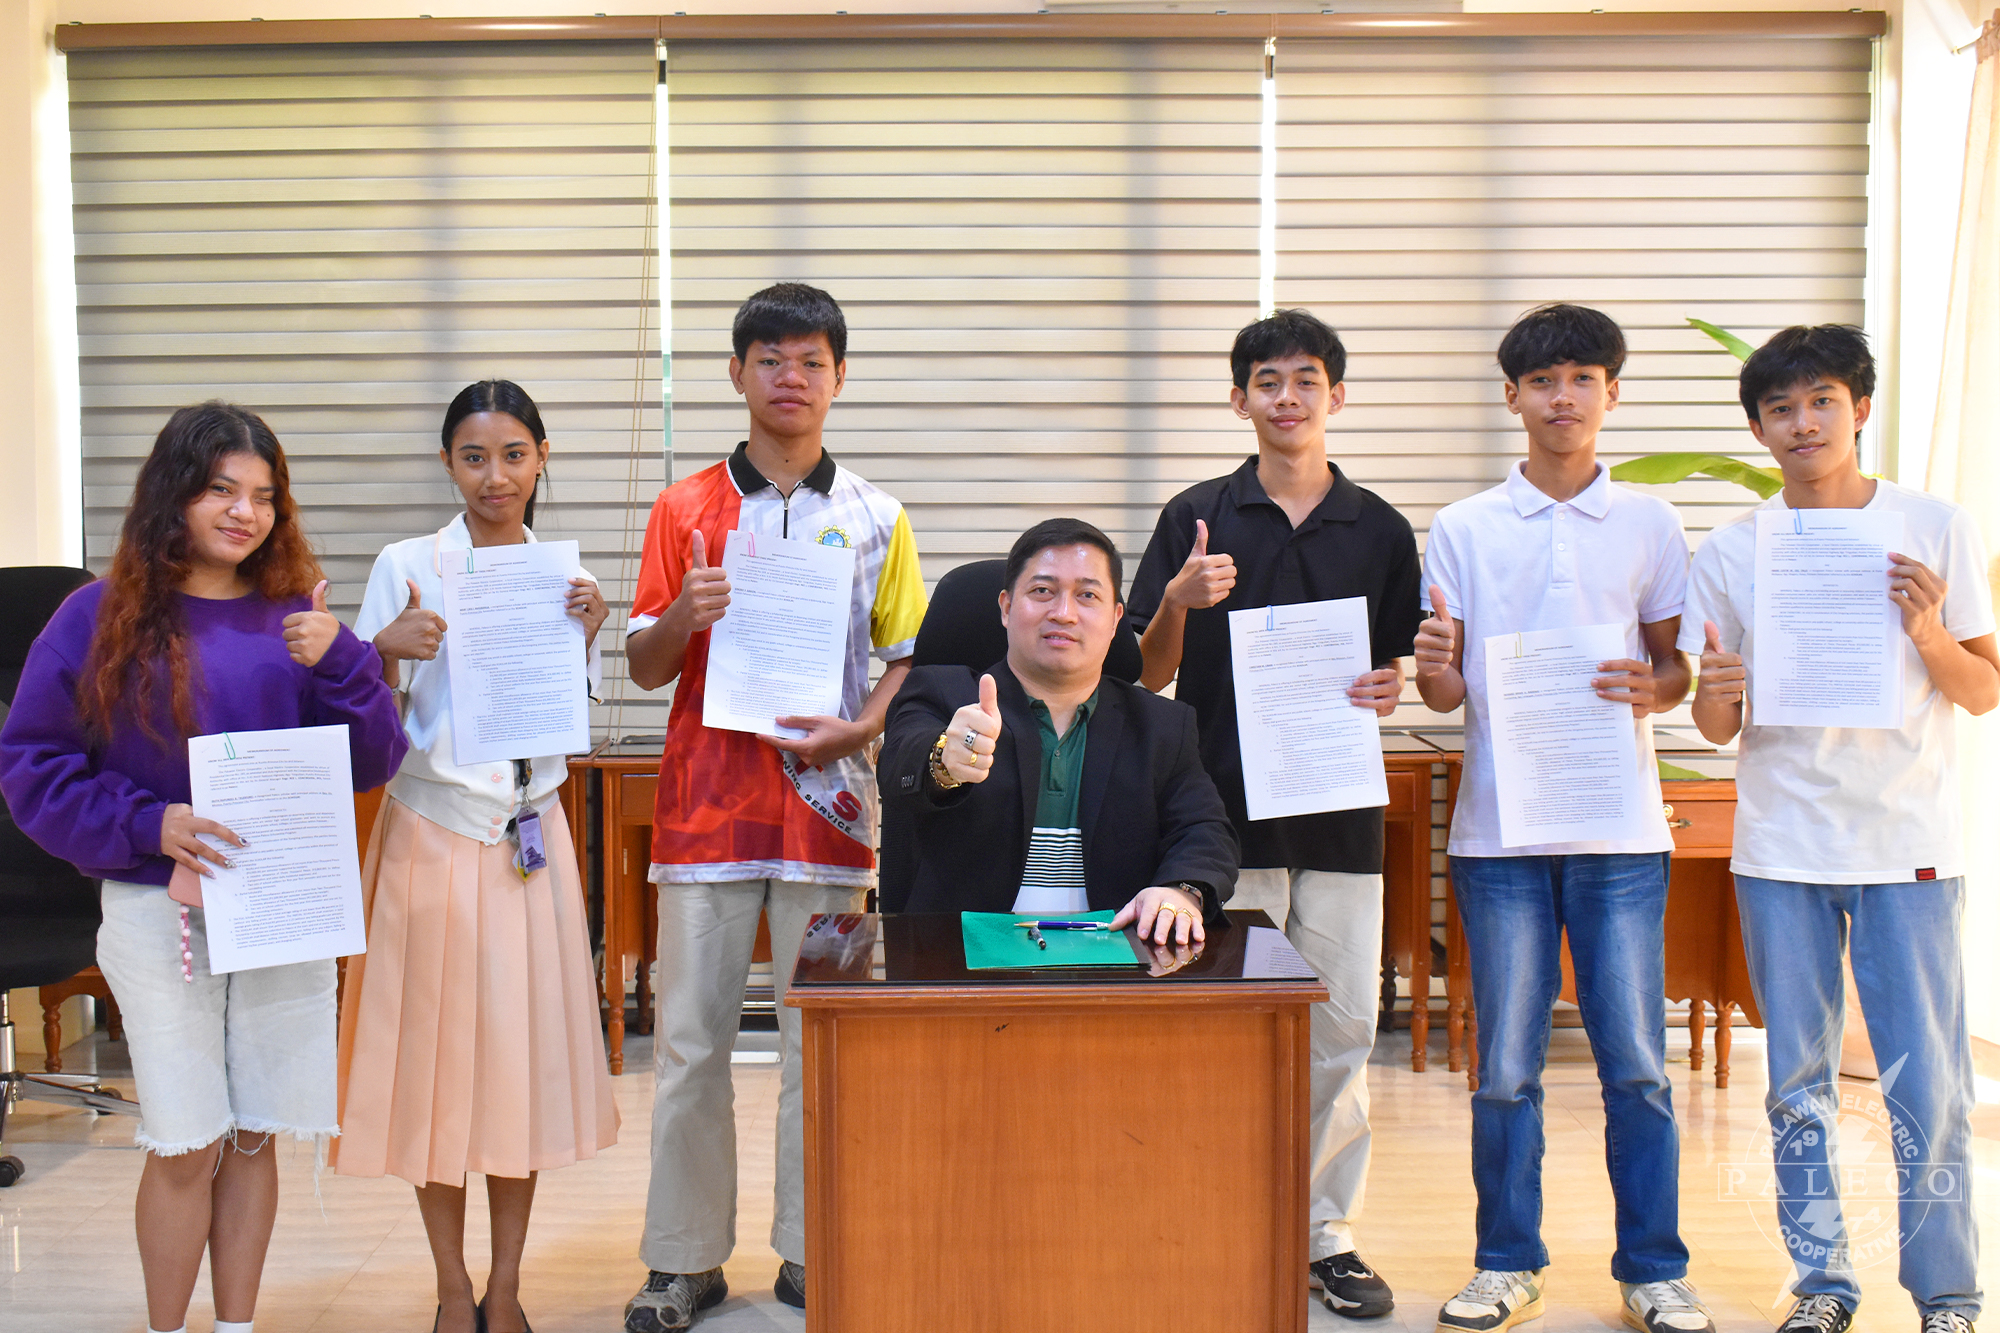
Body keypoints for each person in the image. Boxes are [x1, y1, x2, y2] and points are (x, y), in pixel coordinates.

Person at [0, 402, 407, 1333]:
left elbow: (373, 759)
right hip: (160, 909)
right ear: (173, 492)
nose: (244, 512)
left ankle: (237, 1326)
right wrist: (150, 822)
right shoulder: (95, 616)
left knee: (256, 1132)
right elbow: (32, 767)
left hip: (279, 906)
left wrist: (345, 660)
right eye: (222, 488)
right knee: (186, 1139)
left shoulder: (295, 616)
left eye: (263, 496)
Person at [620, 282, 928, 1333]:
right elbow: (645, 662)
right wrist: (683, 615)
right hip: (704, 814)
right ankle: (682, 1261)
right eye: (770, 358)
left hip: (829, 815)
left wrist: (860, 729)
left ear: (838, 377)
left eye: (810, 360)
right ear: (736, 373)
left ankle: (813, 1245)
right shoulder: (683, 508)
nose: (789, 377)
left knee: (821, 1043)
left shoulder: (878, 515)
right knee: (689, 1045)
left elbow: (904, 659)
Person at [1681, 325, 1996, 1333]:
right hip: (1781, 845)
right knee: (1796, 1086)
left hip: (1909, 845)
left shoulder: (1933, 527)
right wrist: (1717, 689)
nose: (1802, 422)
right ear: (1758, 428)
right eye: (1780, 408)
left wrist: (1925, 630)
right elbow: (1715, 723)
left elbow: (1982, 690)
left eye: (1821, 400)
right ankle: (1822, 1286)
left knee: (1928, 1083)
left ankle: (1947, 1295)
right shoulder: (1733, 550)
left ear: (1858, 408)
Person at [1414, 303, 1710, 1333]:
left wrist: (1651, 687)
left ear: (1611, 394)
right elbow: (1443, 695)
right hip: (1498, 837)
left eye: (1583, 378)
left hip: (1618, 833)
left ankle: (1654, 1268)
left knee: (1636, 1063)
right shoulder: (1463, 526)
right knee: (1503, 1068)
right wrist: (1435, 667)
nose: (1562, 397)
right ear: (1513, 397)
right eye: (1542, 381)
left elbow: (1673, 670)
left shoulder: (1649, 523)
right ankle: (1506, 1262)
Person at [1123, 307, 1419, 1317]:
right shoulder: (1196, 514)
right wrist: (1178, 598)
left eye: (1305, 380)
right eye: (1266, 380)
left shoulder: (1379, 527)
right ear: (1238, 397)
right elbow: (1146, 674)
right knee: (1219, 1031)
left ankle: (1326, 1236)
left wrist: (1390, 685)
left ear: (1336, 395)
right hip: (1218, 820)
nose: (1286, 397)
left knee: (1341, 1029)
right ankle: (1212, 1217)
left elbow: (1392, 670)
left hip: (1338, 818)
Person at [333, 380, 620, 1333]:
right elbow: (363, 728)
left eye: (513, 454)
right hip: (433, 833)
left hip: (531, 839)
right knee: (435, 1073)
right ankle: (452, 1288)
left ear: (542, 457)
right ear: (448, 463)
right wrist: (382, 651)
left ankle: (505, 1287)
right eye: (473, 456)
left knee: (517, 1071)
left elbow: (565, 725)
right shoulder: (406, 564)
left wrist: (588, 631)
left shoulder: (563, 577)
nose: (494, 475)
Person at [880, 517, 1237, 938]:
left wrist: (1181, 890)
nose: (1063, 614)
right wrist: (944, 760)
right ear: (1006, 607)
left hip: (1113, 955)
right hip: (959, 958)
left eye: (1087, 595)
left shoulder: (1162, 726)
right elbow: (900, 763)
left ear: (1115, 619)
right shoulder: (942, 694)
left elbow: (1205, 830)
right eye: (1042, 592)